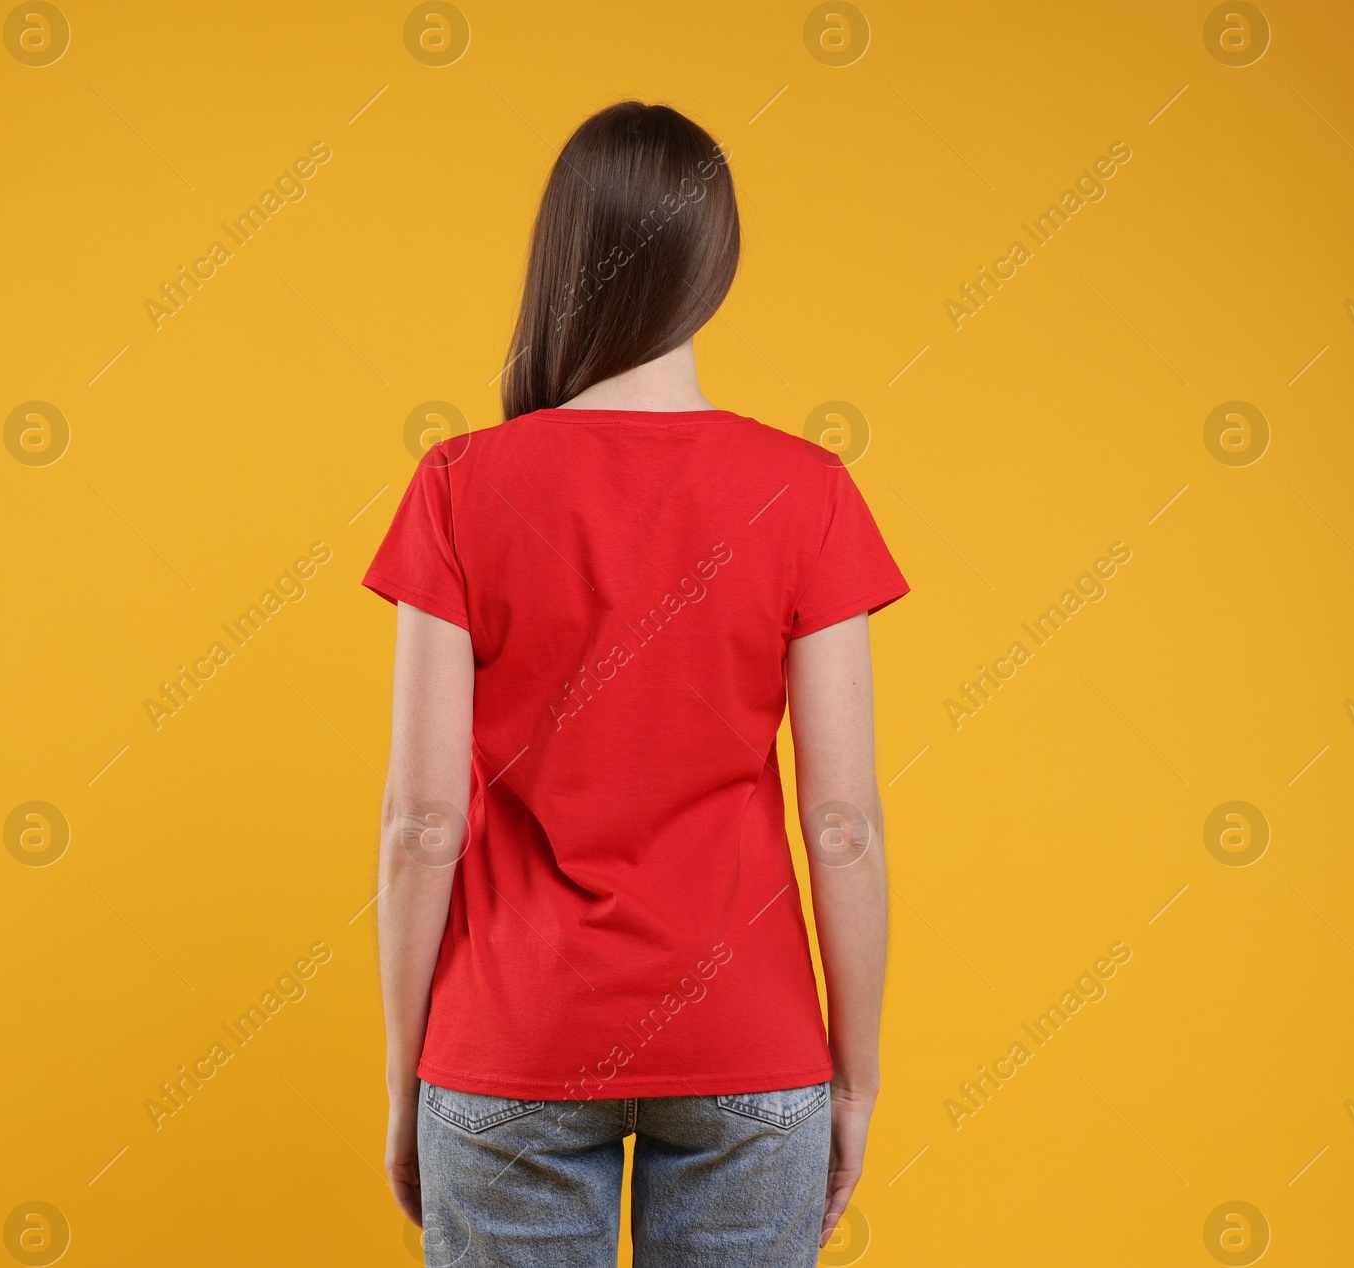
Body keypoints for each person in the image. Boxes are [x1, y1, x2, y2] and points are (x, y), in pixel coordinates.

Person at [365, 100, 907, 1267]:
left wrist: (410, 1076)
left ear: (559, 255)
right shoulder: (804, 490)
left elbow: (421, 823)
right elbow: (844, 824)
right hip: (748, 1041)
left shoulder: (459, 483)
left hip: (510, 1037)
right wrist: (856, 1078)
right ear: (717, 264)